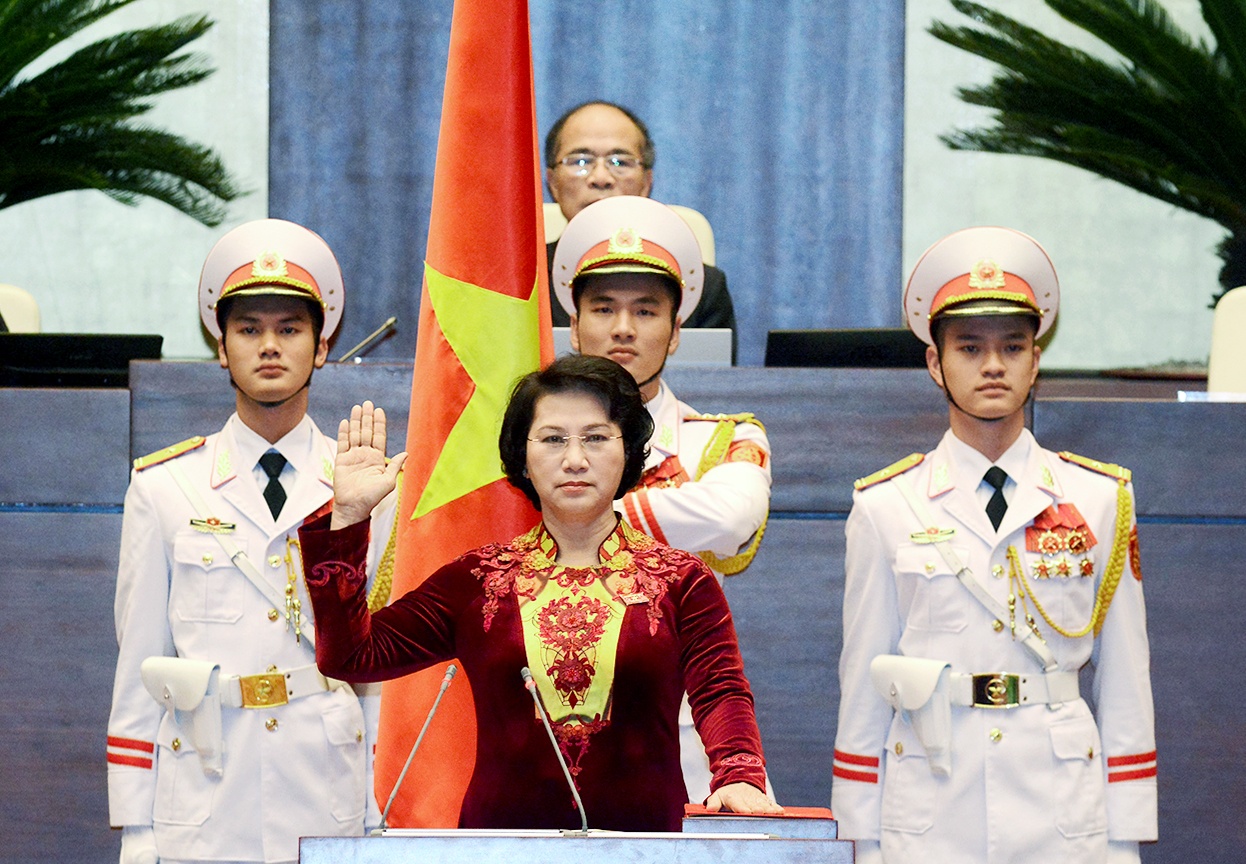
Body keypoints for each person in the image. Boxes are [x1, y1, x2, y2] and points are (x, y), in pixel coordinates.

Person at [297, 354, 781, 831]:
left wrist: (740, 776)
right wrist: (348, 520)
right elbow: (352, 656)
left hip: (647, 847)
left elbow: (721, 692)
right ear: (522, 460)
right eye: (552, 440)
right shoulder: (479, 579)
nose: (575, 459)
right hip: (501, 849)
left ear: (629, 452)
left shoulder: (681, 580)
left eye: (595, 438)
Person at [831, 226, 1157, 863]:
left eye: (1014, 346)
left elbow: (1125, 677)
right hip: (932, 797)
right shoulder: (885, 505)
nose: (993, 365)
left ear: (1037, 362)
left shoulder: (1099, 497)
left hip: (1061, 801)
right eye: (970, 347)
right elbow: (864, 678)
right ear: (935, 363)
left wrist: (1125, 837)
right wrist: (861, 837)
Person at [106, 219, 396, 864]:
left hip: (327, 775)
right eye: (249, 329)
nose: (270, 346)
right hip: (206, 776)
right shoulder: (166, 487)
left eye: (291, 329)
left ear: (322, 347)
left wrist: (384, 808)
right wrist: (136, 825)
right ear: (221, 348)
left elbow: (378, 669)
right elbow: (140, 664)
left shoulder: (370, 486)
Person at [552, 194, 772, 802]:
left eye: (646, 311)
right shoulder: (525, 442)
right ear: (575, 325)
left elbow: (729, 517)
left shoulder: (721, 439)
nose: (623, 328)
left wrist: (572, 507)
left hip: (687, 736)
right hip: (547, 733)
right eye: (603, 308)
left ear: (677, 332)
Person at [543, 100, 737, 350]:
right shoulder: (523, 285)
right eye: (581, 161)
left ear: (647, 183)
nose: (600, 178)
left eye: (620, 162)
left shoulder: (703, 288)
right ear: (552, 183)